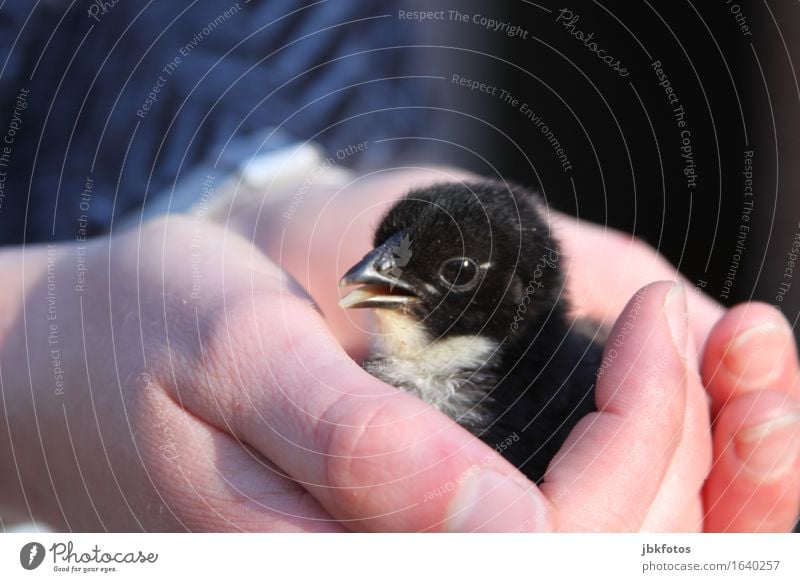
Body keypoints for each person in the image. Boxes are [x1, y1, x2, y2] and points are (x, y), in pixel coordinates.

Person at [0, 2, 798, 532]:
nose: (369, 273)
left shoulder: (544, 388)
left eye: (441, 274)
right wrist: (31, 348)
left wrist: (265, 193)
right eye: (389, 250)